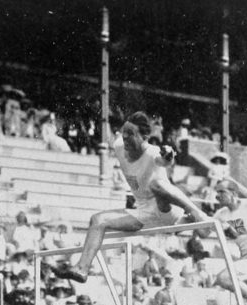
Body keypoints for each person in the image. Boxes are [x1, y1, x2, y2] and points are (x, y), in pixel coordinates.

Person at [54, 112, 209, 283]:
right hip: (143, 214)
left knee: (156, 185)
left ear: (144, 137)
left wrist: (169, 154)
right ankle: (81, 269)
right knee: (97, 220)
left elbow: (164, 160)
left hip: (166, 210)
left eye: (131, 134)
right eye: (124, 132)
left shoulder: (152, 152)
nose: (126, 137)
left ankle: (197, 213)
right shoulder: (119, 145)